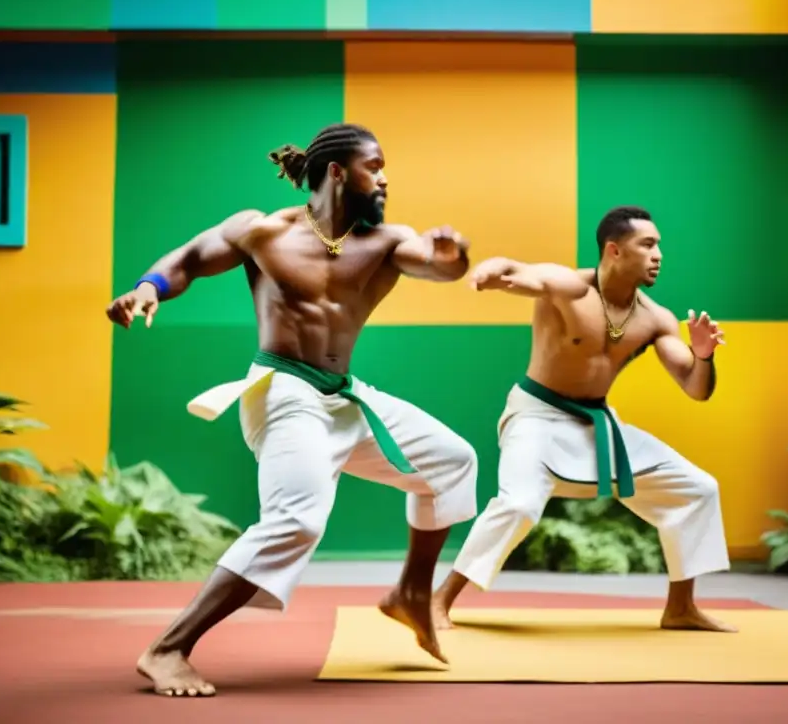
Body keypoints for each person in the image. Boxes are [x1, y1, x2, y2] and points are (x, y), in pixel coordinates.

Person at [105, 123, 479, 697]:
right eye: (374, 166)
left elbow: (433, 264)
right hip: (283, 392)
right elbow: (189, 257)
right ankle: (168, 649)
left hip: (343, 394)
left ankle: (410, 593)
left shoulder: (385, 241)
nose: (384, 178)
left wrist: (453, 261)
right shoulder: (264, 231)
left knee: (453, 461)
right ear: (337, 172)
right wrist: (150, 286)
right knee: (298, 520)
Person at [432, 206, 735, 633]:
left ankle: (681, 607)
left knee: (698, 489)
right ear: (614, 250)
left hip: (598, 424)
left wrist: (704, 354)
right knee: (518, 504)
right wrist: (488, 271)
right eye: (647, 245)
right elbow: (520, 272)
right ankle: (438, 600)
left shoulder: (654, 318)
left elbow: (696, 387)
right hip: (536, 416)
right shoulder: (569, 287)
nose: (658, 254)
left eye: (659, 245)